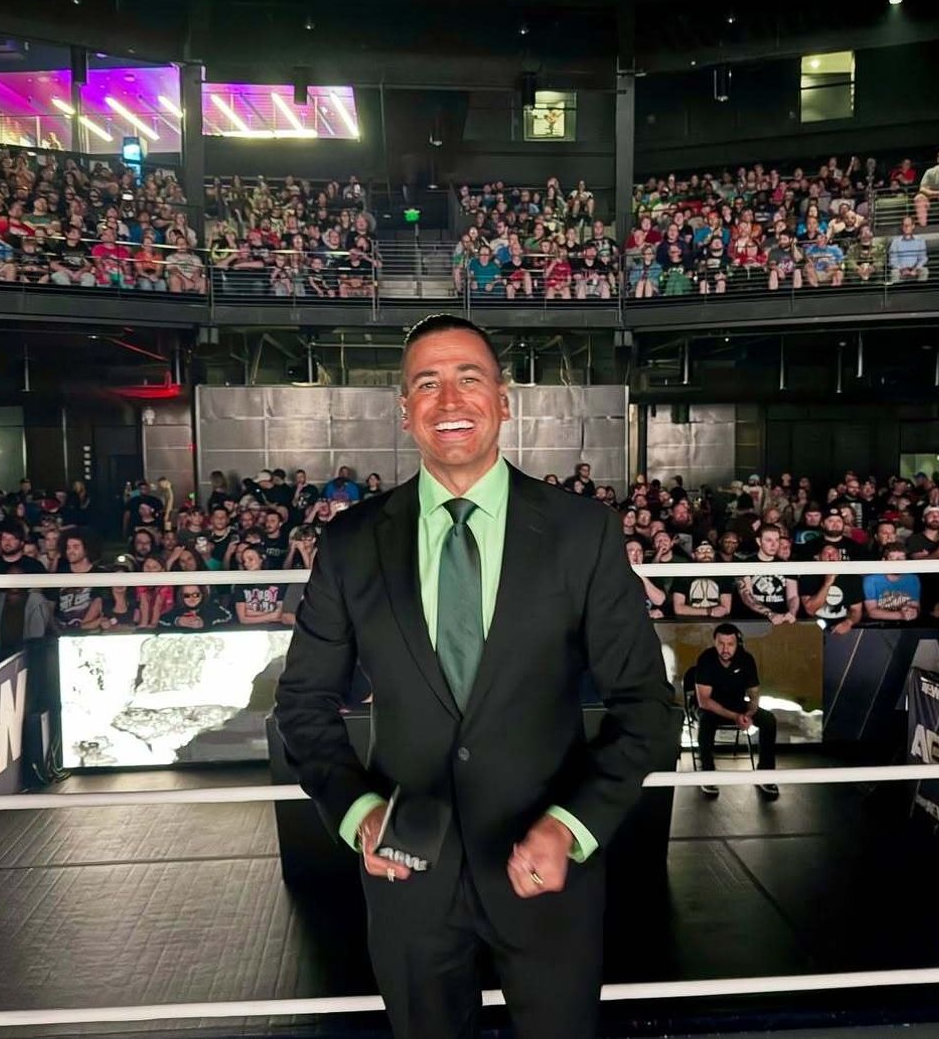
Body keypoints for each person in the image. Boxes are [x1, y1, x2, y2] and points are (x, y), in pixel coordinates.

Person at [275, 313, 674, 1039]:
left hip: (549, 873)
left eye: (469, 377)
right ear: (404, 410)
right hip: (406, 880)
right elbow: (302, 702)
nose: (449, 399)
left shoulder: (581, 531)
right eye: (427, 382)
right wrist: (357, 810)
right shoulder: (350, 542)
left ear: (504, 398)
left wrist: (574, 825)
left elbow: (646, 703)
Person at [693, 623, 778, 799]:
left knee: (769, 719)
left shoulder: (746, 659)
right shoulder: (706, 659)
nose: (725, 649)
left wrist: (748, 714)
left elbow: (754, 695)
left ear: (737, 644)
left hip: (737, 704)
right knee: (706, 722)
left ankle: (766, 774)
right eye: (721, 643)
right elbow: (704, 700)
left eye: (730, 644)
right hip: (711, 707)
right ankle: (707, 775)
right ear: (714, 642)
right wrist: (735, 716)